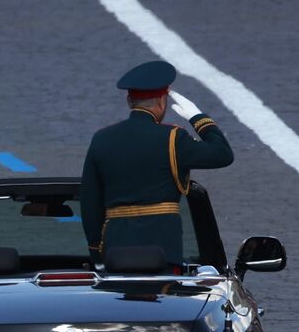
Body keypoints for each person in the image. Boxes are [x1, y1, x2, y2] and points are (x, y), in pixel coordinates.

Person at [80, 61, 234, 268]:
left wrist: (95, 250)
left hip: (116, 246)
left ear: (129, 100)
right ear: (162, 101)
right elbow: (222, 154)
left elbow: (90, 200)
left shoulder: (102, 139)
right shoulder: (172, 138)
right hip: (163, 245)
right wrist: (199, 119)